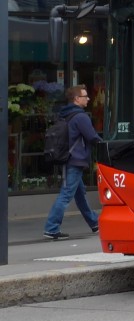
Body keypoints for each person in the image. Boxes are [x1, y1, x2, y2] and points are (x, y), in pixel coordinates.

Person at [43, 84, 101, 240]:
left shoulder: (65, 115)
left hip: (68, 159)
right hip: (75, 160)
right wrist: (106, 145)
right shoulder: (81, 117)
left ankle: (94, 223)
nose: (88, 99)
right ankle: (51, 228)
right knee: (66, 194)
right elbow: (92, 137)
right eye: (85, 96)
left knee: (80, 195)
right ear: (76, 99)